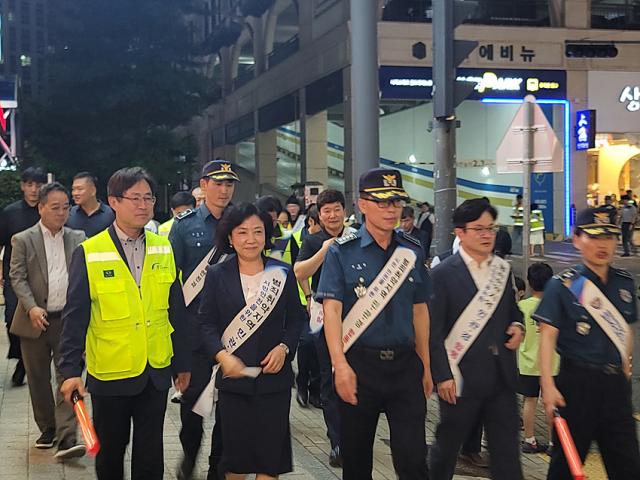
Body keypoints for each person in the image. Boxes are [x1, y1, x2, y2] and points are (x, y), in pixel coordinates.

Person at [58, 167, 191, 480]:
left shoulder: (163, 247)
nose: (143, 205)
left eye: (148, 198)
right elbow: (75, 316)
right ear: (113, 201)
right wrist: (68, 371)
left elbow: (176, 311)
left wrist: (183, 362)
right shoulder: (90, 252)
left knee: (150, 455)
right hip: (110, 372)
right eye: (135, 198)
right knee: (111, 454)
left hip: (155, 370)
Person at [316, 169, 432, 479]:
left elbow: (420, 310)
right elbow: (331, 313)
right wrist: (339, 366)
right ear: (362, 204)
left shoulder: (412, 250)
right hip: (360, 367)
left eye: (396, 202)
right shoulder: (342, 252)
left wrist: (426, 365)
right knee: (356, 463)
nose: (391, 209)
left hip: (406, 366)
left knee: (413, 461)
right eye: (382, 202)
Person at [198, 203, 305, 479]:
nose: (251, 239)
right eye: (242, 232)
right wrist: (222, 357)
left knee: (270, 462)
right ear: (230, 238)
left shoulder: (281, 272)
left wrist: (284, 348)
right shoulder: (216, 275)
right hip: (235, 385)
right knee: (236, 461)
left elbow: (296, 318)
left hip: (274, 382)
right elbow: (206, 324)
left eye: (258, 232)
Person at [537, 208, 640, 479]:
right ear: (576, 239)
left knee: (627, 463)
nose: (602, 244)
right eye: (593, 236)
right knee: (565, 467)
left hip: (615, 387)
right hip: (576, 385)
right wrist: (547, 387)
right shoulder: (562, 285)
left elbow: (627, 329)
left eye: (609, 236)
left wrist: (626, 369)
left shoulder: (625, 283)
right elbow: (547, 336)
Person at [429, 198, 524, 480]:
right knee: (447, 449)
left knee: (507, 453)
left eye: (491, 229)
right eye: (479, 229)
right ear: (460, 232)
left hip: (501, 378)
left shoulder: (502, 270)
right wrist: (442, 375)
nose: (487, 235)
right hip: (460, 379)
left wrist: (518, 325)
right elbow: (434, 331)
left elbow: (512, 310)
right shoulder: (443, 274)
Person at [169, 159, 240, 480]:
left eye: (229, 184)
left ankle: (218, 467)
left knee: (229, 409)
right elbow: (172, 284)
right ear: (204, 185)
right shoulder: (184, 226)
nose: (224, 189)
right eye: (218, 182)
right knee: (192, 409)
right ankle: (189, 459)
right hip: (196, 334)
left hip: (235, 331)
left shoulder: (242, 221)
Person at [9, 182, 86, 459]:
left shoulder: (78, 237)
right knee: (38, 378)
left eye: (66, 207)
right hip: (34, 322)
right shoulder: (23, 239)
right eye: (55, 208)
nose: (62, 213)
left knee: (69, 375)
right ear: (40, 208)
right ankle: (48, 428)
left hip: (67, 320)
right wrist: (30, 307)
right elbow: (16, 277)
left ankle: (68, 436)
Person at [293, 189, 353, 467]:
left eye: (336, 209)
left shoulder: (357, 237)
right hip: (324, 318)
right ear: (318, 213)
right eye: (326, 210)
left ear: (345, 210)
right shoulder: (313, 240)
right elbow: (299, 272)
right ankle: (337, 442)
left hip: (357, 318)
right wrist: (323, 250)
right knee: (330, 380)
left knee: (358, 379)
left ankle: (355, 438)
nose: (332, 215)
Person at [0, 166, 47, 386]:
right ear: (23, 186)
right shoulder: (10, 212)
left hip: (41, 277)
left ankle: (25, 365)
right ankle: (21, 359)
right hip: (13, 276)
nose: (34, 189)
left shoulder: (47, 211)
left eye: (38, 184)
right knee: (11, 319)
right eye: (30, 184)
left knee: (38, 319)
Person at [518, 262, 558, 454]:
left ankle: (529, 439)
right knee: (550, 403)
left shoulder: (522, 306)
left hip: (528, 362)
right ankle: (553, 442)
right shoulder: (555, 306)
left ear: (530, 283)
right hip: (553, 364)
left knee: (530, 400)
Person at [293, 205, 321, 410]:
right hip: (302, 301)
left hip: (319, 303)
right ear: (311, 222)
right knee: (306, 344)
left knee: (319, 347)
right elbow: (300, 271)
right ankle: (302, 384)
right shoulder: (299, 239)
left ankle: (316, 390)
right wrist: (309, 296)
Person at [66, 171, 115, 238]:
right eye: (73, 189)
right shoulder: (69, 214)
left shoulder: (111, 214)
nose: (75, 193)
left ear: (93, 191)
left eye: (80, 189)